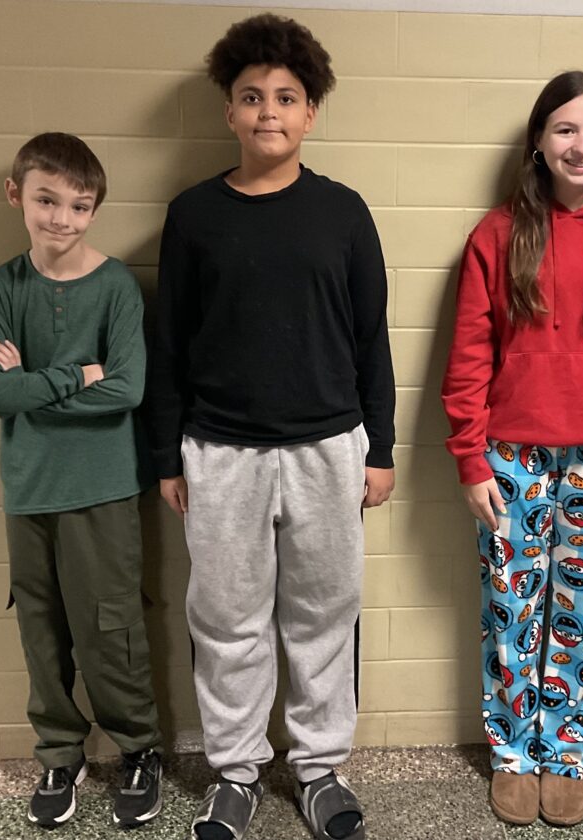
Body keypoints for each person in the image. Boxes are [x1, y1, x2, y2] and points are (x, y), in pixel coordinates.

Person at [146, 14, 395, 840]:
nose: (268, 112)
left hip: (329, 447)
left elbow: (370, 339)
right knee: (227, 620)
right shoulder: (192, 216)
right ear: (228, 111)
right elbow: (169, 344)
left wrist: (381, 448)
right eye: (251, 97)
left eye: (286, 98)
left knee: (324, 614)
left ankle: (319, 769)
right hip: (219, 452)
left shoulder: (343, 213)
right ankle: (235, 771)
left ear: (310, 113)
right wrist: (167, 455)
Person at [441, 70, 583, 827]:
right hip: (511, 457)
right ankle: (513, 754)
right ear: (539, 141)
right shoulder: (496, 233)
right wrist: (470, 456)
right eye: (566, 129)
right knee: (510, 611)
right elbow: (468, 355)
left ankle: (566, 752)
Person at [0, 133, 163, 829]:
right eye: (47, 200)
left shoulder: (115, 287)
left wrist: (34, 384)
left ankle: (138, 748)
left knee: (110, 627)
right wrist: (77, 374)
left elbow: (127, 390)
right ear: (16, 195)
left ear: (95, 210)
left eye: (79, 206)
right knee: (41, 628)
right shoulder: (0, 288)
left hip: (104, 487)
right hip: (29, 488)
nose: (61, 219)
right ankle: (60, 752)